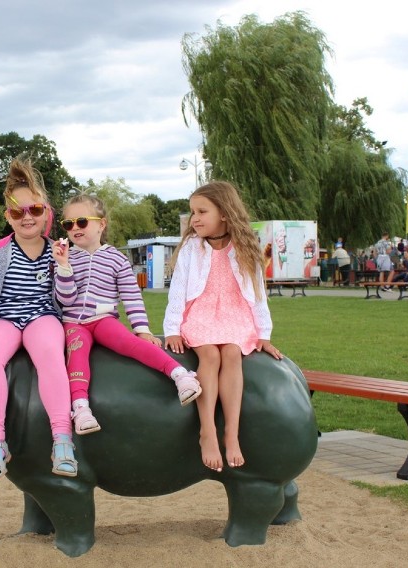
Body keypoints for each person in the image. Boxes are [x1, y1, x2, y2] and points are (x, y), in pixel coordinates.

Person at [0, 157, 76, 482]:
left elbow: (66, 297)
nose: (26, 217)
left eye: (34, 210)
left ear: (46, 211)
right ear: (8, 215)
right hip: (5, 318)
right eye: (17, 212)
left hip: (43, 316)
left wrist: (63, 267)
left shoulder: (58, 250)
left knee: (50, 353)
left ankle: (62, 439)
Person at [51, 194, 201, 435]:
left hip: (104, 320)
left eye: (81, 221)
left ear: (101, 224)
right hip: (74, 323)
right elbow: (65, 299)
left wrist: (142, 329)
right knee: (76, 356)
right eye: (68, 224)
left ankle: (180, 376)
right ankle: (81, 410)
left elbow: (131, 297)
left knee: (131, 343)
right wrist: (63, 267)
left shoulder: (117, 259)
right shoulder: (64, 257)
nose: (74, 228)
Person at [163, 181, 282, 473]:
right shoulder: (192, 247)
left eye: (202, 211)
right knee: (210, 355)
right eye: (193, 212)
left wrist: (263, 335)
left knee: (230, 353)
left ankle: (231, 432)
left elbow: (258, 294)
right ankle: (207, 432)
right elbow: (177, 290)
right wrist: (172, 328)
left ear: (225, 214)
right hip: (201, 313)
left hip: (234, 314)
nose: (195, 219)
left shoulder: (245, 248)